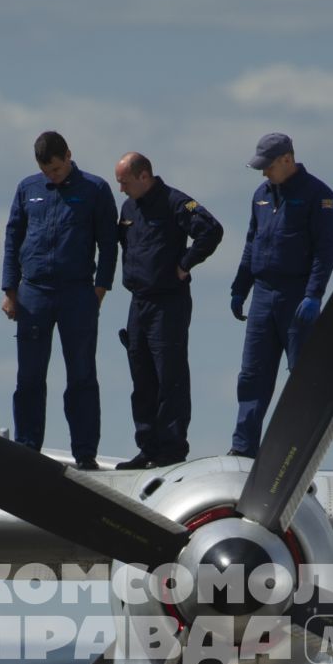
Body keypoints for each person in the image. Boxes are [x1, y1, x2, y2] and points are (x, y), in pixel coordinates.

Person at [1, 131, 118, 470]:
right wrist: (10, 289)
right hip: (34, 293)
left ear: (68, 156)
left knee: (81, 375)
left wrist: (101, 288)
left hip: (77, 293)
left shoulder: (94, 189)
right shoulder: (28, 189)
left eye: (55, 168)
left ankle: (85, 454)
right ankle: (27, 449)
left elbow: (108, 243)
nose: (51, 176)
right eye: (45, 170)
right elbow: (13, 238)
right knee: (30, 377)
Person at [228, 133, 333, 456]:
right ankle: (243, 448)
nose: (264, 173)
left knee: (302, 378)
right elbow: (251, 243)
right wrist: (239, 288)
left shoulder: (319, 195)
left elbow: (325, 251)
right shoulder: (261, 195)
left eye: (269, 166)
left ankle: (299, 449)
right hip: (263, 294)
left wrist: (314, 294)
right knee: (252, 375)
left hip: (297, 296)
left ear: (287, 160)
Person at [112, 151, 223, 469]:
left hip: (168, 303)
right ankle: (148, 446)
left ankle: (171, 449)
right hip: (139, 302)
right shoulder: (129, 207)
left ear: (143, 176)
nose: (121, 189)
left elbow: (211, 230)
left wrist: (185, 264)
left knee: (169, 376)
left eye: (125, 182)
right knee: (142, 377)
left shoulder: (175, 202)